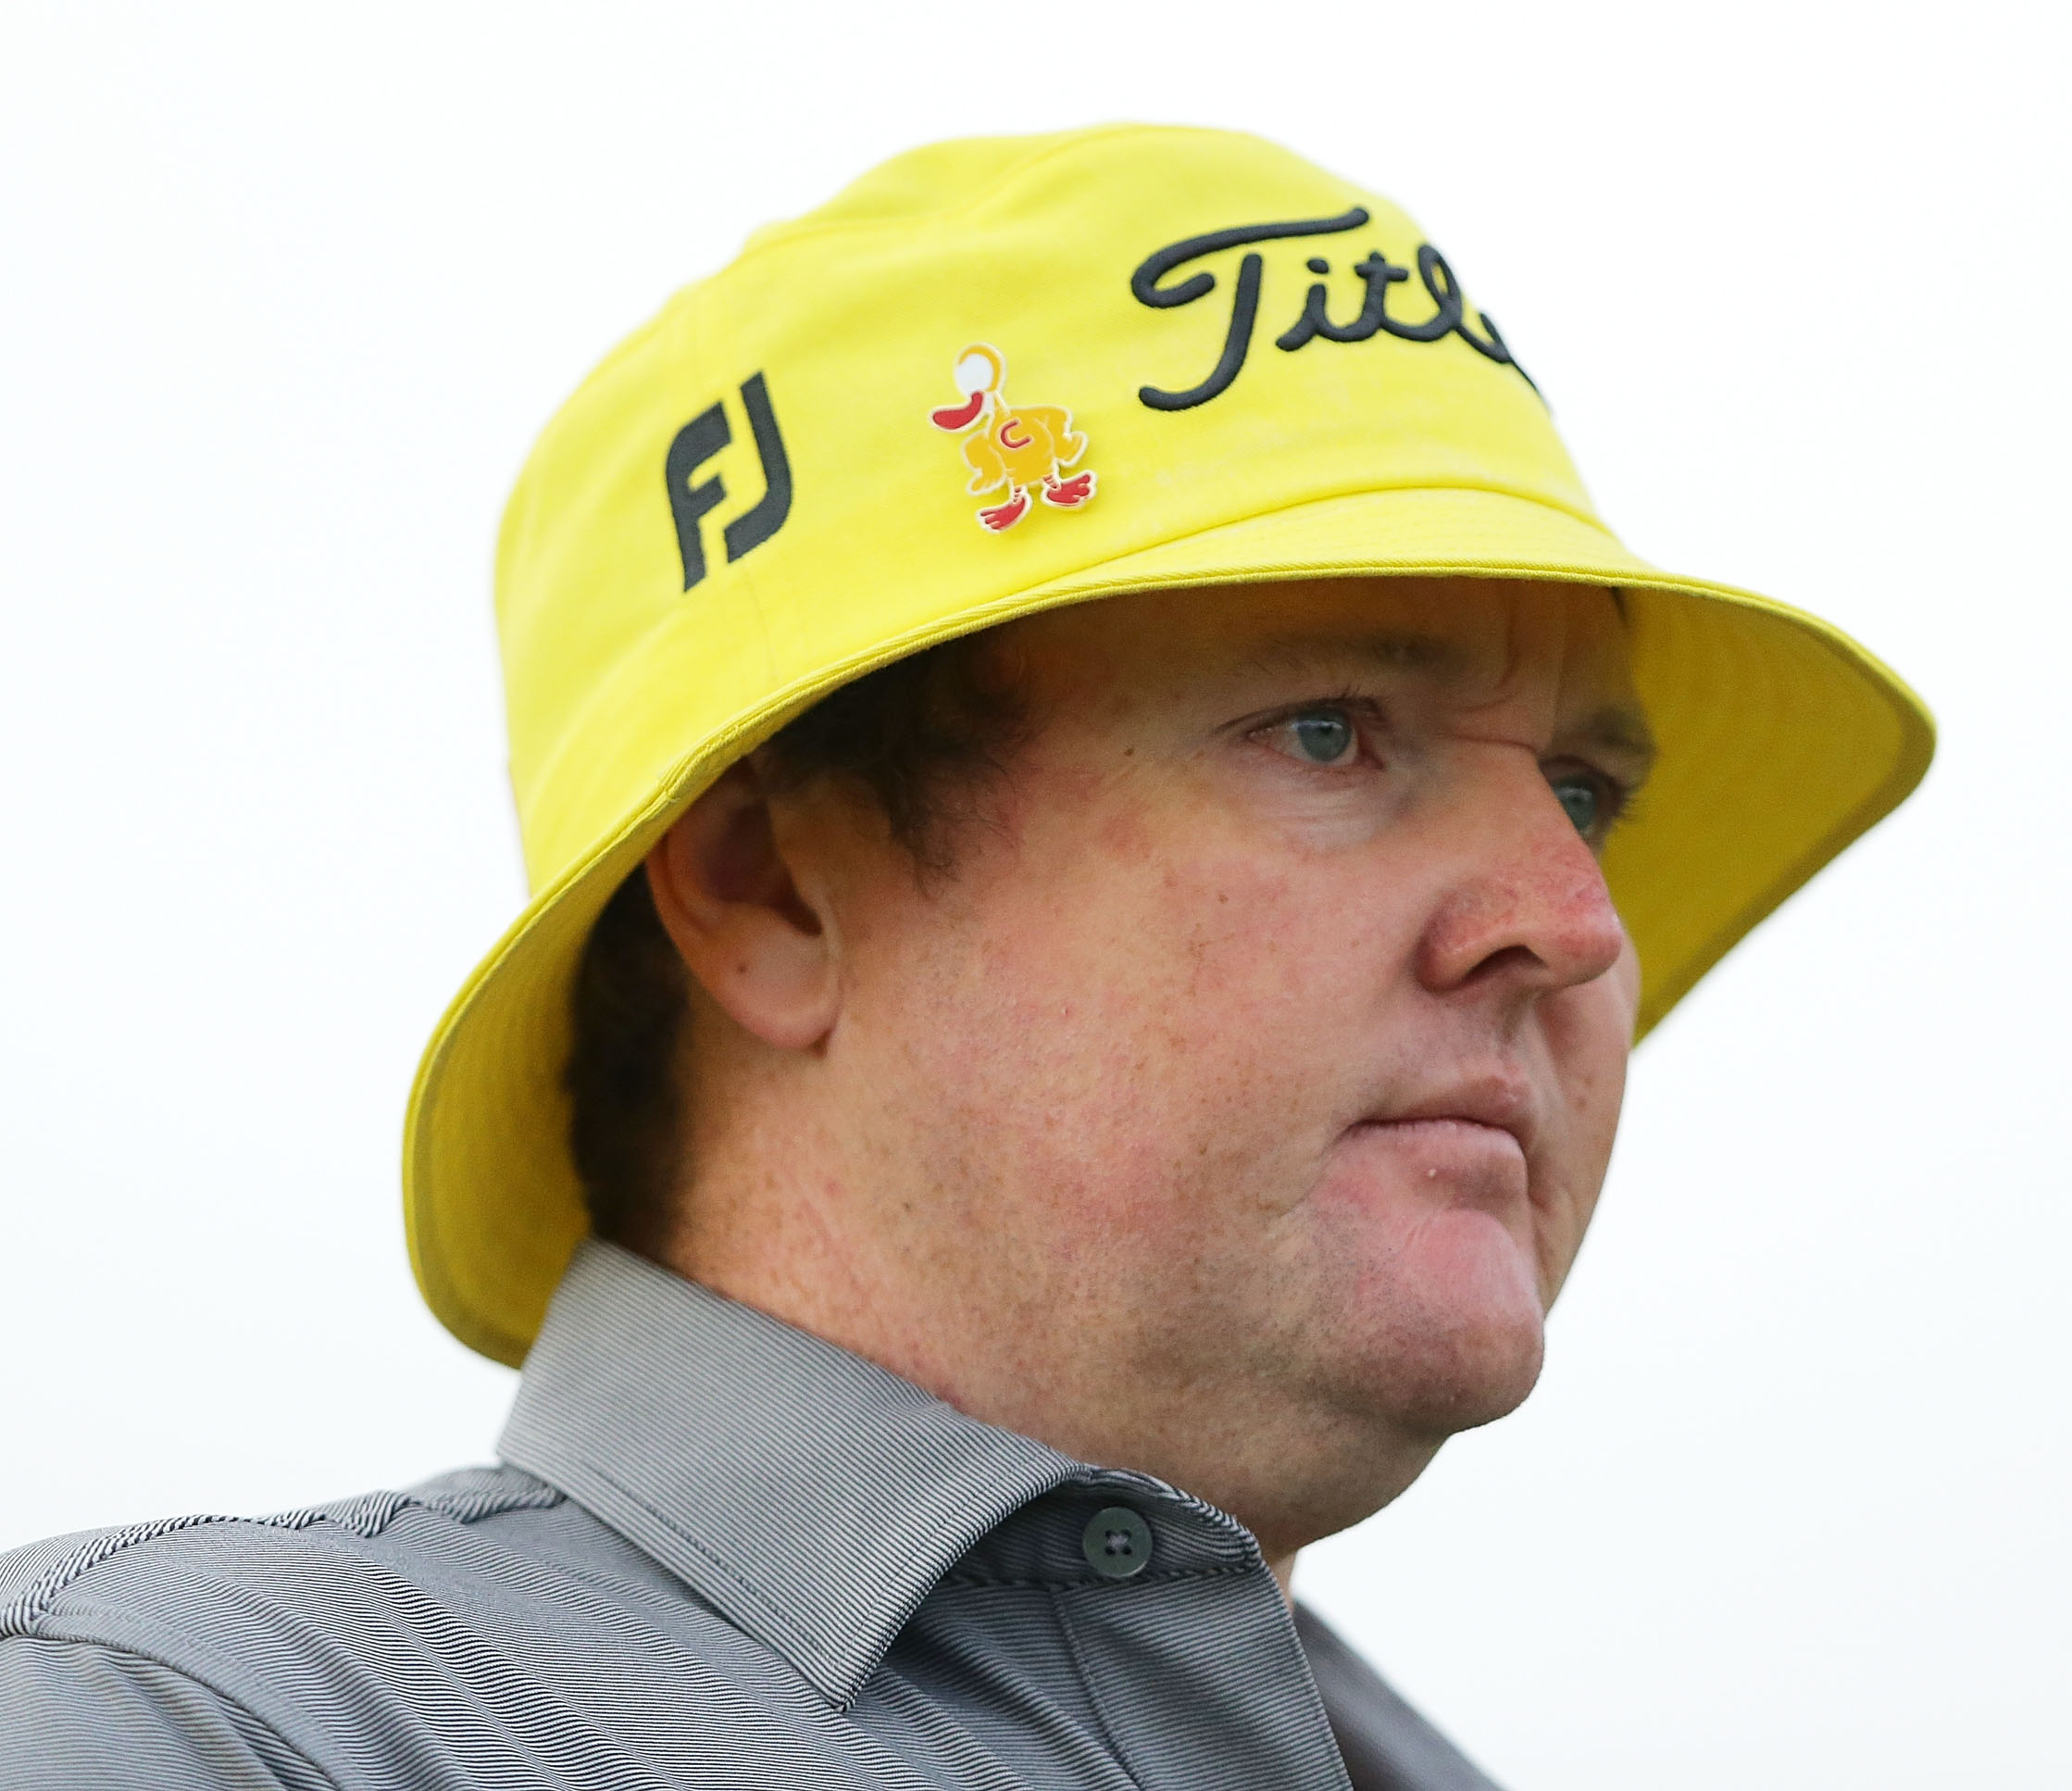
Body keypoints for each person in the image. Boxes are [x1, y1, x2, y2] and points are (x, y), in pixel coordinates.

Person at [0, 125, 1931, 1789]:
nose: (1574, 921)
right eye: (1330, 729)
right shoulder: (197, 1730)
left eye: (1587, 791)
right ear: (772, 886)